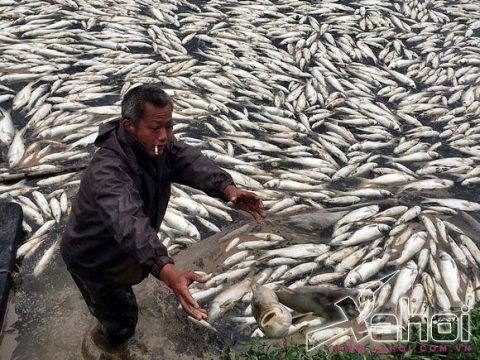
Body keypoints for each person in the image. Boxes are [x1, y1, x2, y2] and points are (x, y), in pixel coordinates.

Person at [60, 84, 266, 346]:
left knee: (123, 294)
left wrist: (227, 188)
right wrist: (167, 271)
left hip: (125, 253)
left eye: (169, 127)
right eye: (156, 128)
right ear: (130, 125)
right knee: (121, 324)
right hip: (95, 260)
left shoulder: (155, 145)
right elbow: (130, 224)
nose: (165, 135)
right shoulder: (108, 172)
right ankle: (107, 346)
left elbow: (187, 160)